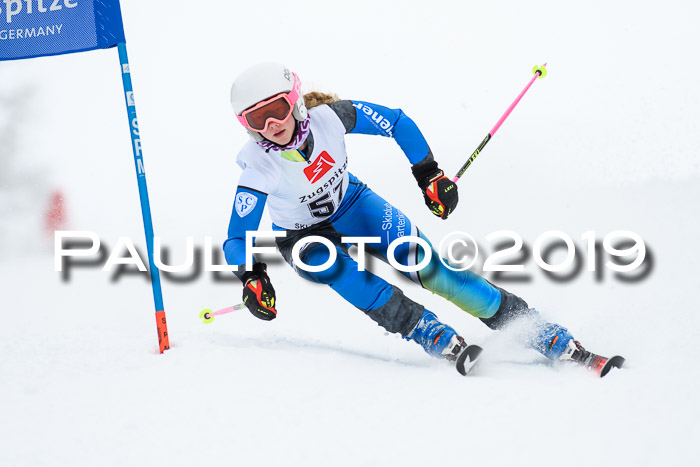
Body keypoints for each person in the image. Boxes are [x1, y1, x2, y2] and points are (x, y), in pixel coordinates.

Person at [223, 62, 620, 376]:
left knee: (432, 270)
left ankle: (539, 331)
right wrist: (252, 277)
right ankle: (426, 330)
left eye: (275, 110)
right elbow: (237, 237)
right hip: (302, 236)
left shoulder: (331, 118)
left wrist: (428, 174)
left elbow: (396, 121)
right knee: (345, 274)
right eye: (256, 120)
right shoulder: (258, 168)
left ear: (294, 102)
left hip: (353, 204)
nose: (270, 125)